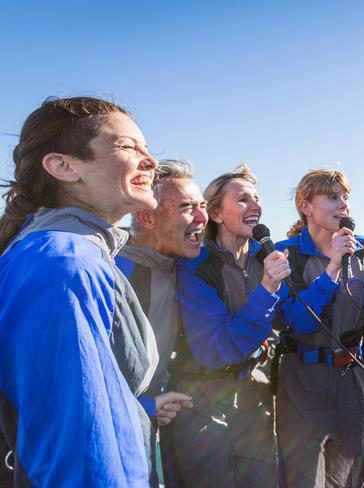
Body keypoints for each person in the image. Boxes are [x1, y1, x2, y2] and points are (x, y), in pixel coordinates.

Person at [0, 96, 158, 486]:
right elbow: (84, 451)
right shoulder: (64, 264)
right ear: (63, 166)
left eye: (147, 148)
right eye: (126, 146)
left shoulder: (71, 254)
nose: (152, 161)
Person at [167, 164, 289, 487]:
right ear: (217, 214)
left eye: (257, 199)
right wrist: (265, 291)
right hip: (203, 401)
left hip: (255, 397)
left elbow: (296, 319)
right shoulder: (195, 265)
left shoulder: (267, 260)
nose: (255, 206)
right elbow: (215, 347)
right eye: (243, 199)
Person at [274, 169, 364, 488]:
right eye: (332, 197)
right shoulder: (285, 252)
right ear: (306, 206)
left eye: (345, 197)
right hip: (302, 380)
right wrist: (332, 267)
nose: (343, 204)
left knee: (351, 478)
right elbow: (296, 320)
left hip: (353, 379)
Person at [114, 159, 206, 486]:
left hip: (146, 427)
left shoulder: (177, 266)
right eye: (187, 207)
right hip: (109, 439)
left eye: (203, 205)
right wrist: (146, 405)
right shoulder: (113, 273)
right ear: (147, 217)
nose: (202, 217)